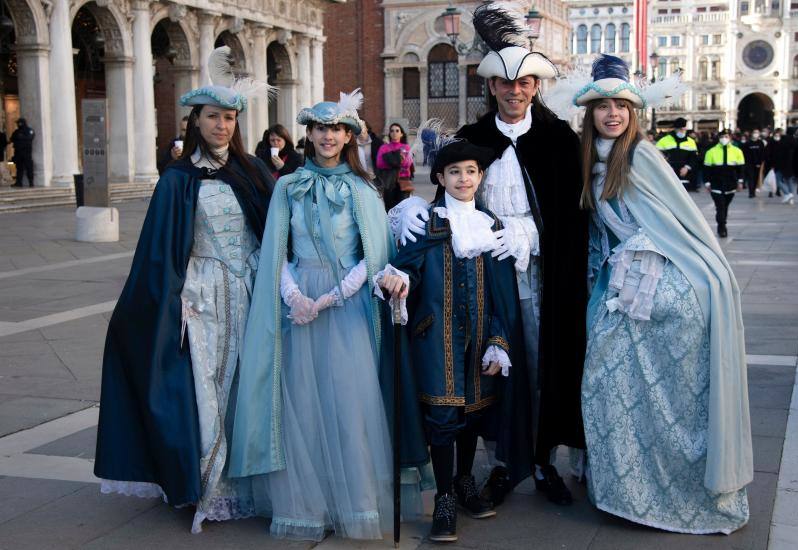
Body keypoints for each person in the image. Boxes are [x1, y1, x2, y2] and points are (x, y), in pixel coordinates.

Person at [392, 1, 589, 507]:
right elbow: (450, 199)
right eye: (506, 83)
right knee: (489, 367)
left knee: (538, 363)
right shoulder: (474, 139)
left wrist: (529, 236)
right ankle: (502, 462)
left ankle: (542, 459)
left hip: (539, 275)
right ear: (492, 86)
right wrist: (411, 213)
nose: (515, 91)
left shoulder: (559, 140)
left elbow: (570, 219)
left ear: (535, 87)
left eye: (524, 83)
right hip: (480, 275)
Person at [228, 90, 428, 541]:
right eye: (320, 128)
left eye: (336, 129)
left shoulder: (362, 189)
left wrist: (332, 297)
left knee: (348, 404)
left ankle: (352, 504)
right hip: (299, 306)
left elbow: (374, 255)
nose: (327, 136)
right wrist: (295, 295)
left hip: (347, 309)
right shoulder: (287, 186)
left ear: (349, 135)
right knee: (302, 404)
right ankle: (307, 504)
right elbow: (276, 247)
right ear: (309, 134)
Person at [94, 46, 275, 533]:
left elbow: (278, 229)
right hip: (203, 295)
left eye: (230, 117)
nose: (223, 126)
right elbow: (159, 251)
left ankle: (252, 477)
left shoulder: (254, 171)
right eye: (214, 117)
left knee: (250, 382)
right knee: (208, 386)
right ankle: (209, 484)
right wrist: (168, 300)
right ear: (196, 120)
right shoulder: (177, 180)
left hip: (253, 289)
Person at [574, 54, 751, 535]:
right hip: (621, 287)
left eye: (622, 106)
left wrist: (644, 263)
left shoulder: (642, 157)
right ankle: (627, 489)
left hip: (664, 286)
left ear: (635, 113)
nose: (613, 113)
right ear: (589, 114)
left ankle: (664, 488)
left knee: (651, 393)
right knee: (610, 384)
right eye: (603, 106)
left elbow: (678, 227)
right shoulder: (592, 161)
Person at [377, 139, 524, 542]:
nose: (464, 179)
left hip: (479, 342)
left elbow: (501, 293)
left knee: (472, 416)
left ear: (480, 176)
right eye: (455, 172)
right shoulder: (429, 222)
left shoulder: (491, 226)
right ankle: (444, 497)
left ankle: (462, 482)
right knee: (442, 419)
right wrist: (398, 280)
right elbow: (408, 269)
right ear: (440, 178)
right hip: (436, 342)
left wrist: (499, 339)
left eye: (471, 171)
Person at [704, 129, 745, 237]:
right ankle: (722, 226)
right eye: (722, 137)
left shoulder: (737, 151)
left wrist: (740, 182)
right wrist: (707, 183)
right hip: (716, 183)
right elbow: (707, 169)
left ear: (730, 138)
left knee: (725, 206)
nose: (724, 139)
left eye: (726, 136)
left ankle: (722, 223)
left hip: (730, 183)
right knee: (720, 206)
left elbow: (740, 169)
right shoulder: (711, 151)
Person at [376, 122, 415, 210]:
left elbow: (407, 163)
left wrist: (390, 159)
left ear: (401, 134)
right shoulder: (384, 148)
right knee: (389, 207)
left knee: (402, 207)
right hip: (389, 181)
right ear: (389, 133)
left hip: (403, 181)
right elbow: (380, 163)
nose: (394, 133)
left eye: (397, 131)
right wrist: (398, 159)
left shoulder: (406, 147)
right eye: (392, 131)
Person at [656, 117, 699, 191]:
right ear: (675, 129)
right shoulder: (664, 141)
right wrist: (667, 167)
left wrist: (687, 168)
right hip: (667, 175)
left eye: (684, 129)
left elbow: (694, 158)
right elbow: (657, 157)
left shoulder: (691, 142)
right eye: (680, 129)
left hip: (684, 176)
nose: (682, 131)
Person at [765, 128, 795, 201]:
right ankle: (791, 197)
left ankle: (788, 193)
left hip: (780, 165)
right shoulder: (792, 140)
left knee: (777, 180)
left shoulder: (777, 142)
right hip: (790, 165)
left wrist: (771, 164)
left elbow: (773, 154)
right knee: (789, 180)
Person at [10, 118, 35, 187]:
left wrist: (21, 138)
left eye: (19, 123)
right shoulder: (16, 132)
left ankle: (31, 182)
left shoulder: (29, 131)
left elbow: (30, 137)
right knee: (19, 168)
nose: (18, 125)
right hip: (18, 153)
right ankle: (19, 182)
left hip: (26, 153)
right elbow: (12, 139)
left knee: (28, 167)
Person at [742, 128, 766, 198]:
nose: (756, 134)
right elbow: (744, 153)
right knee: (750, 178)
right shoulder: (747, 143)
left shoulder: (760, 143)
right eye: (755, 132)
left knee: (755, 178)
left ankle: (754, 190)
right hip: (749, 163)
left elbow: (762, 153)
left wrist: (760, 162)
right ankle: (751, 192)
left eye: (757, 132)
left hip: (758, 163)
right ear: (752, 133)